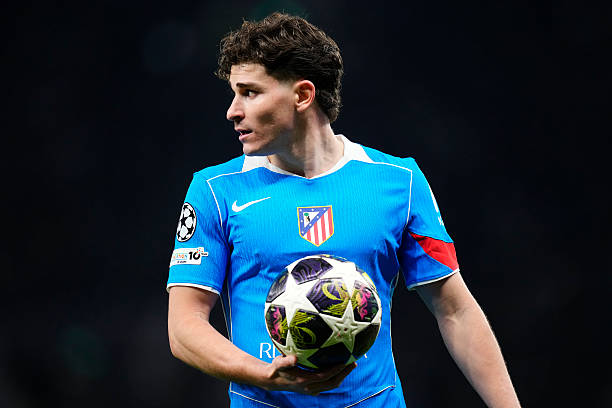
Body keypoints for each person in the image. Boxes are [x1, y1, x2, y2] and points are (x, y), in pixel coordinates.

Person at [167, 12, 521, 408]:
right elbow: (183, 327)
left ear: (303, 95)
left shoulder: (399, 182)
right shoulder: (214, 191)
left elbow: (455, 311)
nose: (233, 110)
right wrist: (265, 374)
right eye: (235, 93)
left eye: (250, 92)